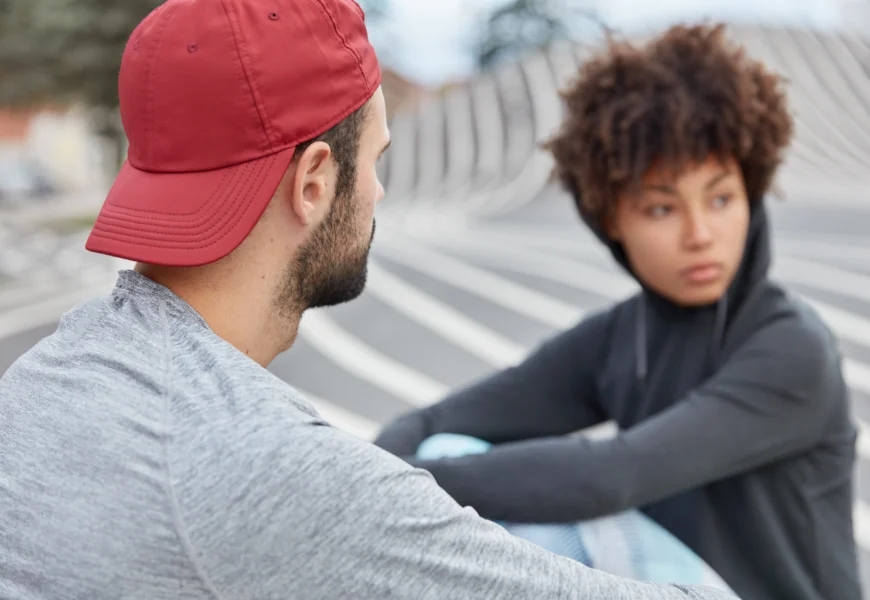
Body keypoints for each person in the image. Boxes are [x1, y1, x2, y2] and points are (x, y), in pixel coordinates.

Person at [0, 1, 740, 599]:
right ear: (316, 181)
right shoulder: (267, 470)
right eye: (376, 160)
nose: (379, 191)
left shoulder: (45, 377)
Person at [374, 23, 861, 600]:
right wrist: (377, 468)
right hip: (670, 584)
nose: (701, 234)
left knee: (482, 493)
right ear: (611, 220)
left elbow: (614, 474)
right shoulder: (621, 338)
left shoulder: (791, 347)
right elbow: (437, 424)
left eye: (722, 198)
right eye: (661, 208)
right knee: (447, 453)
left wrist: (395, 490)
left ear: (751, 193)